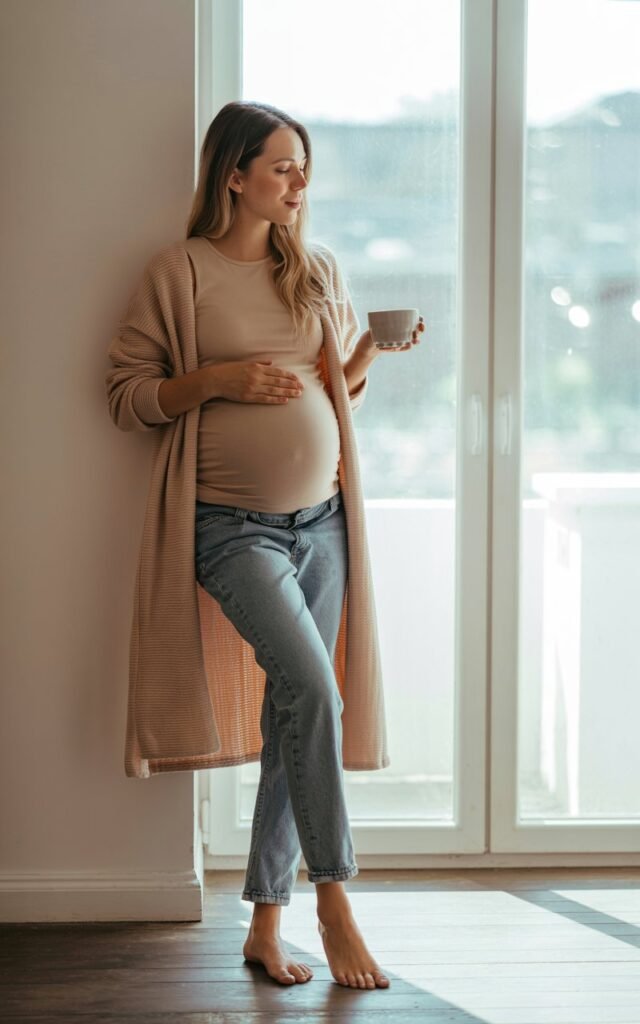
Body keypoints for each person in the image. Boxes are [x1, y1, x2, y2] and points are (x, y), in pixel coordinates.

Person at [110, 99, 424, 990]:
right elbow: (127, 395)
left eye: (303, 166)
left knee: (296, 709)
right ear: (234, 174)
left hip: (322, 522)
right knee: (313, 689)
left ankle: (264, 922)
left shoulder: (314, 269)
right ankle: (335, 903)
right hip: (230, 528)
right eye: (281, 166)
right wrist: (213, 381)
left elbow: (335, 393)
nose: (298, 183)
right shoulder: (181, 274)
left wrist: (367, 348)